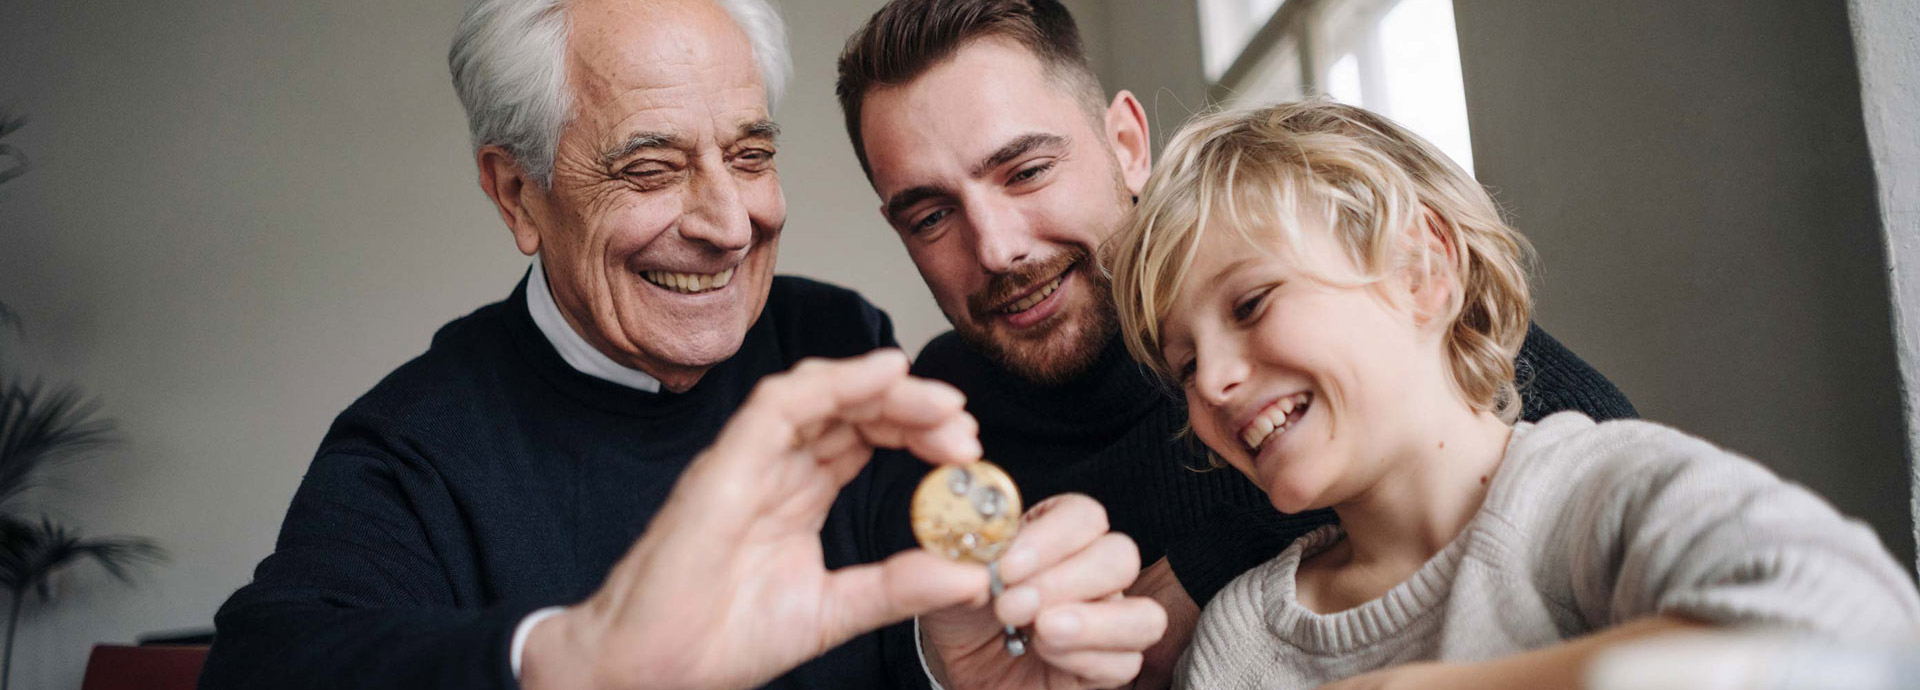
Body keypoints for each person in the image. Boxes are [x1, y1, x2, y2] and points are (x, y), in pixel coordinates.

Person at [196, 1, 1163, 688]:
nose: (729, 225)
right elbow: (259, 664)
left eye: (749, 155)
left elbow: (908, 644)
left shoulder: (837, 344)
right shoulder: (416, 449)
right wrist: (574, 662)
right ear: (516, 195)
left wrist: (947, 669)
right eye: (652, 168)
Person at [833, 0, 1635, 685]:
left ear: (1126, 144)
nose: (998, 246)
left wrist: (1207, 558)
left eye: (1027, 171)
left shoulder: (1274, 282)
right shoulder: (931, 435)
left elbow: (1578, 427)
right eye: (931, 215)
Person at [1105, 99, 1920, 689]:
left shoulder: (1591, 496)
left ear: (1422, 269)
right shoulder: (1239, 647)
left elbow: (1858, 633)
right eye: (1184, 366)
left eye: (1251, 305)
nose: (1211, 382)